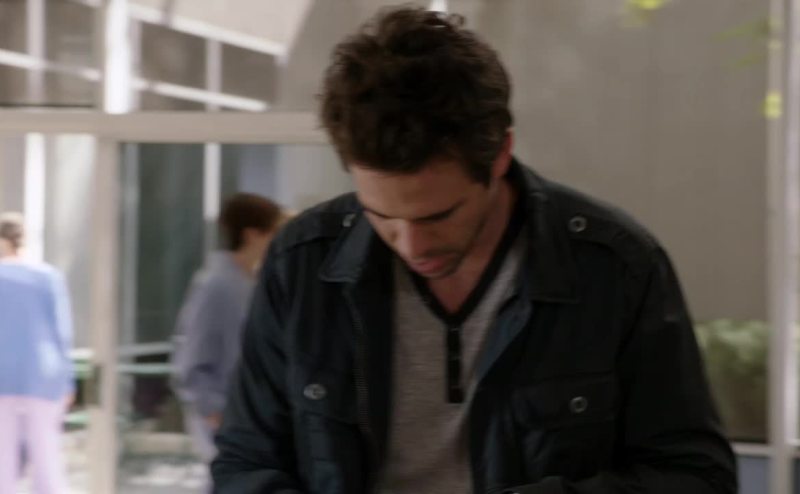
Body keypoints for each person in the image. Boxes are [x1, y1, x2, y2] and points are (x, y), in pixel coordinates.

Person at [212, 7, 737, 494]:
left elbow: (696, 476)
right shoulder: (302, 262)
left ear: (501, 153)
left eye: (437, 216)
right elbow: (245, 463)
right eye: (382, 216)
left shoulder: (614, 266)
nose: (411, 245)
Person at [171, 193, 287, 483]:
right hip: (229, 420)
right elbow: (192, 359)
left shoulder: (249, 283)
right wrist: (214, 411)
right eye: (275, 232)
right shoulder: (217, 285)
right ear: (252, 235)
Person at [0, 212, 74, 494]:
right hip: (43, 376)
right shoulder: (47, 277)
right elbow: (62, 332)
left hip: (3, 376)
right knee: (47, 460)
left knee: (3, 466)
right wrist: (67, 381)